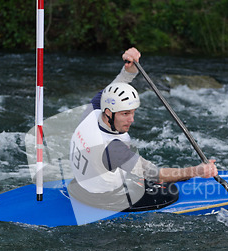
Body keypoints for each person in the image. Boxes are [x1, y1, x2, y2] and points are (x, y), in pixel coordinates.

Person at [68, 47, 218, 211]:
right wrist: (197, 171)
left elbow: (115, 88)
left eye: (132, 113)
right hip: (106, 198)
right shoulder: (113, 149)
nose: (131, 119)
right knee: (167, 193)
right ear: (109, 113)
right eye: (125, 114)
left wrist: (129, 70)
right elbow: (157, 175)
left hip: (82, 185)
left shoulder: (93, 111)